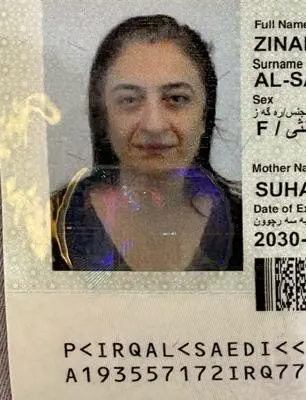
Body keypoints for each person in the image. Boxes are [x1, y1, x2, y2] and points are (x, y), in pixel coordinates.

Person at [51, 14, 242, 272]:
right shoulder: (43, 228)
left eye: (176, 98)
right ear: (103, 117)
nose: (154, 125)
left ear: (204, 115)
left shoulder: (253, 227)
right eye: (129, 100)